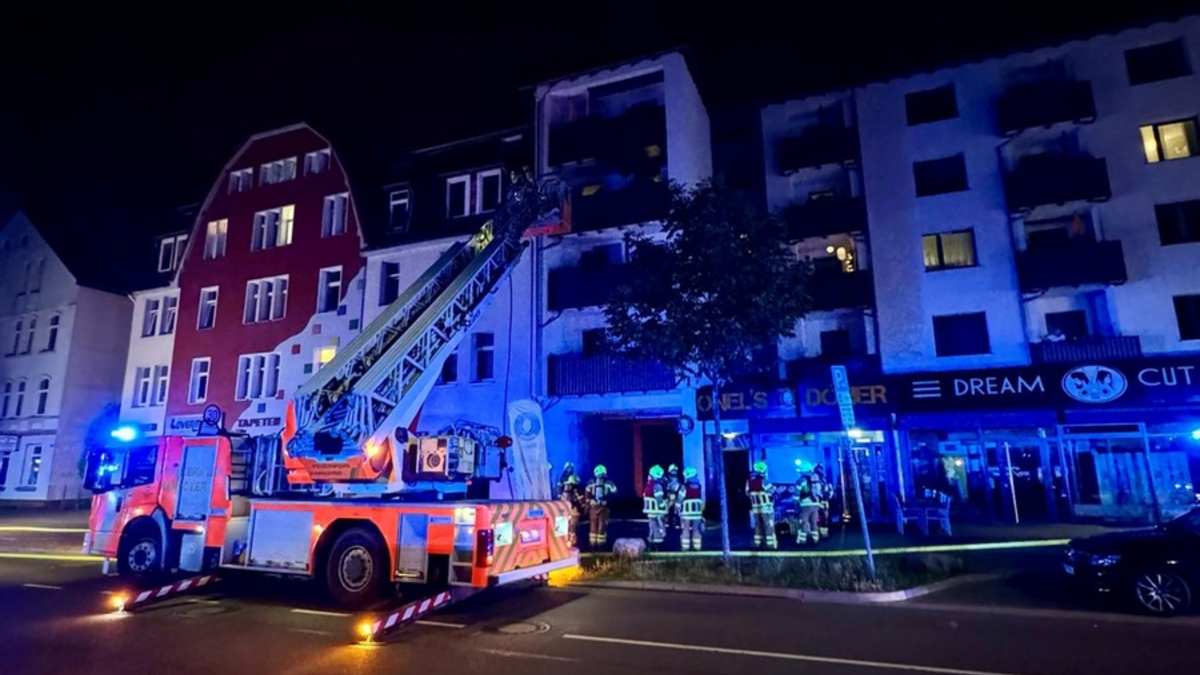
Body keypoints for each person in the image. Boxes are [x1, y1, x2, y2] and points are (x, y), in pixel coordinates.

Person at [745, 461, 777, 550]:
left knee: (758, 525)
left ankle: (757, 543)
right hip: (766, 508)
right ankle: (771, 545)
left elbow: (747, 493)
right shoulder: (764, 481)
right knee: (768, 525)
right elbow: (772, 491)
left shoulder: (749, 482)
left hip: (755, 508)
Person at [585, 465, 617, 548]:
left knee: (593, 523)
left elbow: (587, 493)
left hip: (593, 506)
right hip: (603, 506)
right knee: (602, 524)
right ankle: (600, 544)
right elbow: (614, 491)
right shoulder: (608, 482)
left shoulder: (591, 482)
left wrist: (589, 502)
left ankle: (592, 543)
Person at [557, 462, 583, 545]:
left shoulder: (575, 479)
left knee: (572, 526)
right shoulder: (561, 480)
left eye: (571, 468)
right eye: (568, 468)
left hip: (572, 506)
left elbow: (577, 492)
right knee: (561, 525)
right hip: (562, 506)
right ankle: (560, 543)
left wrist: (581, 504)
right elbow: (558, 491)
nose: (569, 470)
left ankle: (572, 542)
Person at [679, 467, 705, 551]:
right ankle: (697, 547)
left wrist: (677, 507)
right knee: (696, 529)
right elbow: (702, 499)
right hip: (697, 511)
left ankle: (685, 547)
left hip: (686, 512)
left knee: (686, 528)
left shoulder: (684, 486)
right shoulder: (699, 486)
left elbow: (680, 498)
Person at [642, 465, 667, 546]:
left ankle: (651, 538)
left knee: (652, 524)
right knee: (658, 524)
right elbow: (659, 499)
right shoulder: (657, 486)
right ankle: (658, 540)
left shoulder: (648, 484)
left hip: (649, 510)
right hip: (657, 510)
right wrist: (664, 505)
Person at [796, 468, 822, 545]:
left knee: (804, 523)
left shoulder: (801, 480)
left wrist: (796, 502)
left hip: (805, 505)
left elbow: (796, 494)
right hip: (815, 505)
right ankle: (815, 539)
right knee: (814, 523)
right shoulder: (815, 480)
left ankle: (802, 541)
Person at [664, 463, 682, 530]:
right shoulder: (666, 478)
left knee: (677, 509)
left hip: (676, 494)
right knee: (667, 508)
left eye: (675, 470)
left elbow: (680, 486)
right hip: (669, 494)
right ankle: (666, 520)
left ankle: (677, 521)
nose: (674, 471)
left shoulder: (678, 478)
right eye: (673, 470)